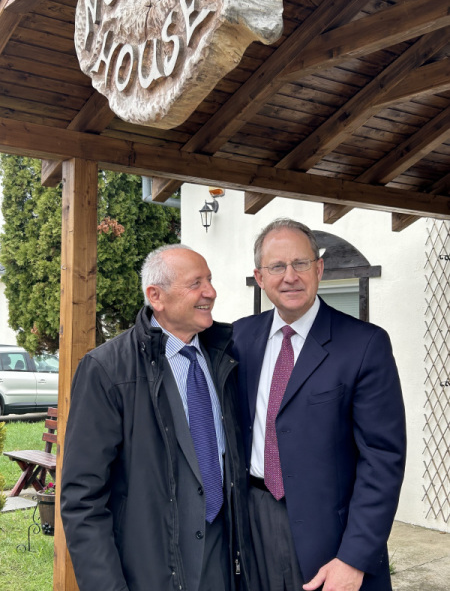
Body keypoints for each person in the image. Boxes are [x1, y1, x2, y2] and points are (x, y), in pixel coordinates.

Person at [61, 244, 251, 591]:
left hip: (221, 563)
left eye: (209, 280)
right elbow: (82, 499)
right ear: (156, 296)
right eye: (196, 283)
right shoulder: (107, 369)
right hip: (149, 571)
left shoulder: (226, 356)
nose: (211, 292)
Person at [232, 219, 406, 591]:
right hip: (253, 523)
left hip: (331, 537)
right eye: (277, 266)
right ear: (259, 278)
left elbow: (382, 460)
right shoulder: (239, 337)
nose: (290, 276)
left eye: (301, 263)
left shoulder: (364, 345)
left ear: (319, 268)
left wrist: (354, 558)